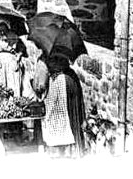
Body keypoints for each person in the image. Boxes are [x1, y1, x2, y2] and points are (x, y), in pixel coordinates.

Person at [33, 14, 87, 157]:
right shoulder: (64, 51)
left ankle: (57, 150)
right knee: (71, 115)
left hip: (58, 85)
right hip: (71, 81)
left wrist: (38, 91)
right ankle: (74, 150)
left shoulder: (44, 58)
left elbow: (40, 85)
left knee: (55, 116)